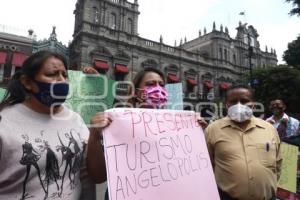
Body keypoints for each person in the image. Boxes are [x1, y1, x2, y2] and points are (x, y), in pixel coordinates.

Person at [84, 66, 208, 199]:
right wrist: (94, 136)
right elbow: (98, 176)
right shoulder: (117, 121)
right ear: (136, 92)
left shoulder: (178, 125)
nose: (158, 89)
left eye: (161, 85)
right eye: (150, 84)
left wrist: (197, 135)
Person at [0, 51, 106, 200]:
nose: (61, 80)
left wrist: (95, 137)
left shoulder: (76, 119)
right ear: (27, 82)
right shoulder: (4, 122)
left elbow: (94, 175)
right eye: (52, 75)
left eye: (65, 75)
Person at [205, 85, 282, 200]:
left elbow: (278, 163)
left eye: (245, 101)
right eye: (233, 101)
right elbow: (207, 165)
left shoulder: (269, 129)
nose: (239, 105)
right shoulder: (212, 130)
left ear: (253, 104)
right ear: (227, 104)